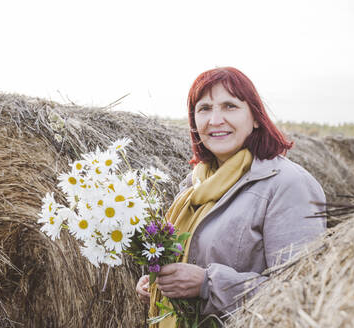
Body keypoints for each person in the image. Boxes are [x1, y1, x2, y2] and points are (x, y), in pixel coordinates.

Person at [136, 67, 326, 326]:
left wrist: (207, 284)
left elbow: (303, 292)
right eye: (204, 108)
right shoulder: (195, 184)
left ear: (256, 117)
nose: (215, 120)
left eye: (229, 106)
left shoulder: (288, 185)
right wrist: (161, 285)